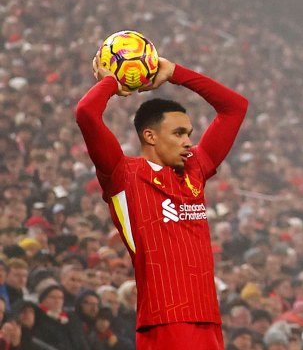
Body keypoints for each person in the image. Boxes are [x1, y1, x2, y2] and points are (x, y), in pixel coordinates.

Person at [75, 53, 249, 350]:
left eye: (189, 134)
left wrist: (175, 73)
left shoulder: (196, 168)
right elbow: (86, 113)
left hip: (208, 318)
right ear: (150, 136)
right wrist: (110, 82)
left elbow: (235, 107)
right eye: (179, 133)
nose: (188, 142)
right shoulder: (122, 175)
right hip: (166, 321)